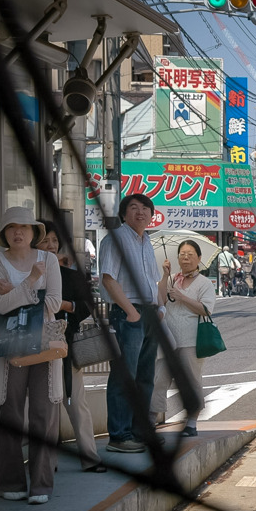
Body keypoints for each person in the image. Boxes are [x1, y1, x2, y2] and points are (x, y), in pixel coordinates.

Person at [0, 207, 64, 505]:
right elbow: (0, 305)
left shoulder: (49, 259)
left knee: (43, 414)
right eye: (11, 227)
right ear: (4, 234)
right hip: (8, 345)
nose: (18, 232)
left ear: (35, 233)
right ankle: (8, 482)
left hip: (44, 344)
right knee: (11, 412)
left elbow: (55, 302)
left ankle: (42, 484)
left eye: (24, 227)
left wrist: (17, 292)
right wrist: (32, 282)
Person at [38, 220, 106, 472]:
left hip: (66, 347)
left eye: (54, 241)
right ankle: (48, 461)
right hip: (34, 349)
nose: (51, 245)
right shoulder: (29, 276)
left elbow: (85, 306)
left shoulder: (71, 276)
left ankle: (90, 457)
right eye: (45, 241)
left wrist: (63, 305)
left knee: (76, 402)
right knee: (43, 405)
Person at [99, 193, 162, 454]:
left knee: (145, 377)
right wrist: (131, 312)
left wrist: (159, 310)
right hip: (128, 313)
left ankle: (139, 432)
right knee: (125, 376)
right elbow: (108, 279)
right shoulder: (116, 238)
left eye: (145, 208)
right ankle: (119, 435)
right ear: (124, 214)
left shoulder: (147, 240)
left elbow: (153, 280)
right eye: (134, 208)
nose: (141, 212)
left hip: (148, 313)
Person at [154, 240, 216, 437]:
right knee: (158, 380)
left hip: (191, 340)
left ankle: (191, 421)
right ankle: (150, 419)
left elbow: (206, 309)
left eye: (190, 254)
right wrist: (164, 276)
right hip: (168, 340)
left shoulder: (205, 283)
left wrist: (182, 297)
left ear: (199, 258)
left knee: (191, 380)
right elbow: (159, 299)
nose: (186, 258)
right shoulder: (172, 279)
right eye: (182, 254)